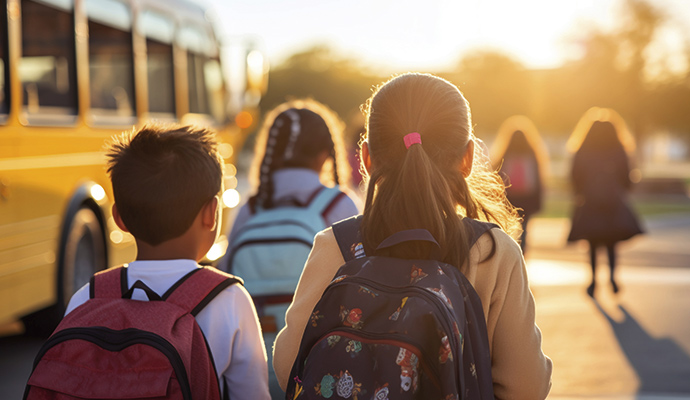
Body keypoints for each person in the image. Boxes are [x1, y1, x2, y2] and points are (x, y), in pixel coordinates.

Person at [272, 73, 552, 399]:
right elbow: (527, 386)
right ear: (468, 158)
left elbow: (287, 365)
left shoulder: (336, 244)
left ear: (366, 159)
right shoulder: (492, 252)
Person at [64, 124, 271, 399]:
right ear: (212, 213)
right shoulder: (229, 300)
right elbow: (252, 394)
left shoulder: (86, 299)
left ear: (118, 218)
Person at [566, 107, 643, 297]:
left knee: (592, 242)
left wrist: (581, 193)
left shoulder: (583, 149)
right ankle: (612, 278)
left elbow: (574, 176)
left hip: (590, 201)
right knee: (611, 241)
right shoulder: (619, 149)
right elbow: (628, 177)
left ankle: (593, 281)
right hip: (612, 202)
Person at [491, 115, 549, 253]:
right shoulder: (532, 155)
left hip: (509, 197)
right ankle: (522, 254)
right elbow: (538, 180)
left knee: (506, 227)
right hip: (527, 198)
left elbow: (495, 177)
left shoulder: (504, 155)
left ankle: (508, 253)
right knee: (525, 229)